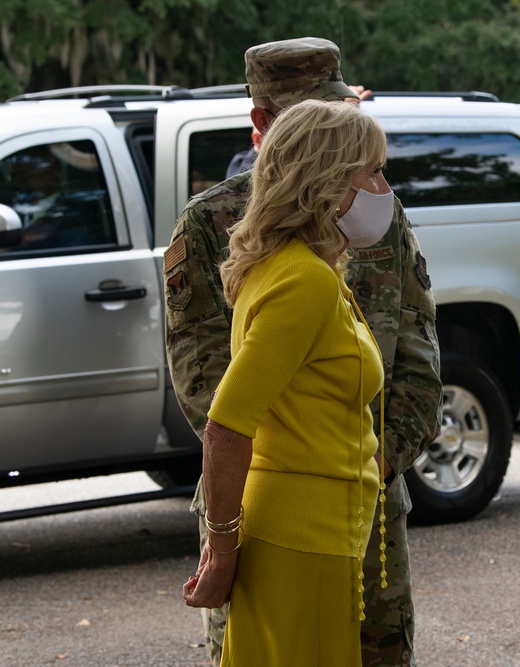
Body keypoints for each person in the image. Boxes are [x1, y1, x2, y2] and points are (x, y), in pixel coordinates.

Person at [164, 37, 441, 667]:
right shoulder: (213, 225)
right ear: (263, 122)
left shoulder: (373, 210)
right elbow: (207, 386)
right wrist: (308, 461)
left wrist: (376, 459)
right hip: (280, 504)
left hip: (366, 491)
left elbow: (419, 344)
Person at [181, 99, 390, 665]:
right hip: (303, 536)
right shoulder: (303, 281)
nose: (382, 186)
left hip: (311, 532)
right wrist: (221, 548)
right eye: (370, 171)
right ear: (325, 181)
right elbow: (226, 426)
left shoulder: (295, 266)